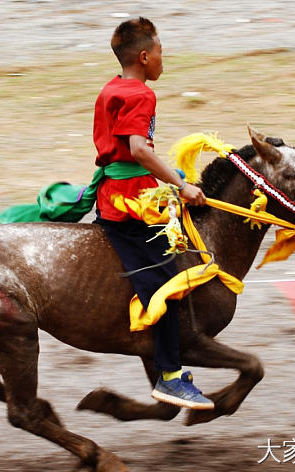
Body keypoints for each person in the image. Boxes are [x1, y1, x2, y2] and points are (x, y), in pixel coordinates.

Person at [93, 17, 214, 410]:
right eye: (161, 52)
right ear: (145, 57)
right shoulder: (141, 95)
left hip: (117, 190)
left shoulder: (112, 87)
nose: (164, 59)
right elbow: (139, 149)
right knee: (170, 282)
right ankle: (170, 377)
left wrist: (169, 175)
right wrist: (183, 186)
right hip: (130, 203)